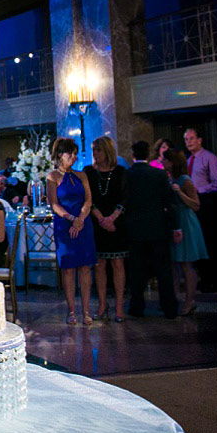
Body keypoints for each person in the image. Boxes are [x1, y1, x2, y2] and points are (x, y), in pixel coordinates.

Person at [124, 141, 182, 319]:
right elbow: (169, 202)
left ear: (133, 155)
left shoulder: (127, 175)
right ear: (148, 155)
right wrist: (175, 227)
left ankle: (137, 307)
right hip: (158, 228)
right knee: (163, 270)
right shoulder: (158, 174)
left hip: (135, 230)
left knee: (137, 271)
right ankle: (169, 307)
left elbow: (124, 201)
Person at [47, 138, 97, 325]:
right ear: (60, 155)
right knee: (68, 269)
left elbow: (89, 200)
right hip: (64, 225)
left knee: (85, 267)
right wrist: (71, 219)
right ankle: (71, 311)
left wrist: (81, 219)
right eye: (71, 154)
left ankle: (85, 311)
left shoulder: (82, 175)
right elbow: (53, 203)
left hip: (83, 224)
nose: (74, 157)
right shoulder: (53, 177)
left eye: (76, 153)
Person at [84, 136, 128, 322]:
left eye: (98, 150)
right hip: (97, 222)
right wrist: (101, 218)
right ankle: (102, 304)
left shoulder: (120, 171)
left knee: (117, 263)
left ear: (107, 151)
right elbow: (88, 198)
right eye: (93, 150)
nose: (95, 154)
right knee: (99, 264)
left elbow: (125, 197)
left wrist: (112, 218)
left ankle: (119, 306)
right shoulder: (89, 172)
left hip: (117, 223)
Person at [162, 148, 208, 317]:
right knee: (175, 263)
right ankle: (175, 299)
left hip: (186, 222)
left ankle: (190, 300)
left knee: (187, 263)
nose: (162, 162)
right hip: (174, 222)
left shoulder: (185, 180)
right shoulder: (170, 178)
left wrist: (179, 192)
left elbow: (196, 204)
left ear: (172, 162)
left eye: (165, 160)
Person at [183, 127, 217, 293]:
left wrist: (199, 191)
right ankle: (204, 278)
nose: (189, 142)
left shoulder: (209, 158)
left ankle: (215, 280)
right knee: (199, 242)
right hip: (194, 205)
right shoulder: (188, 161)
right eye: (186, 139)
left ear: (200, 140)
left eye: (192, 138)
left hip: (208, 204)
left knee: (210, 242)